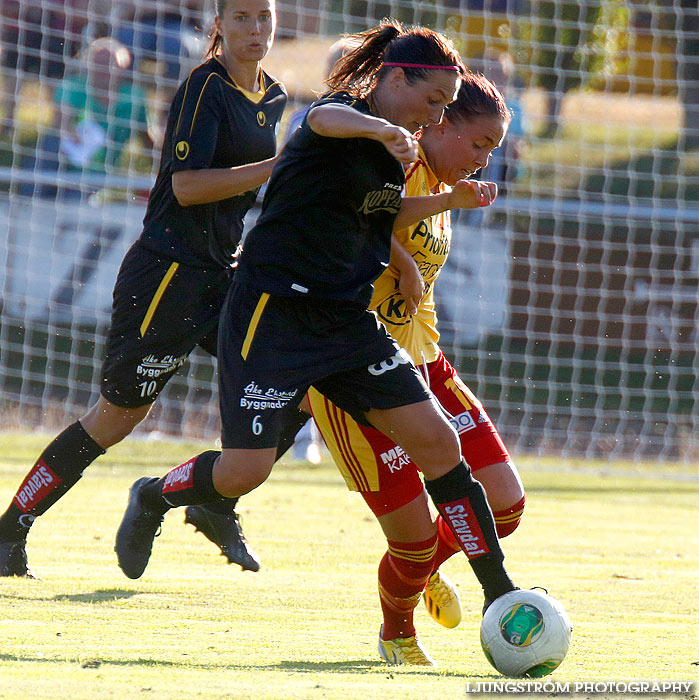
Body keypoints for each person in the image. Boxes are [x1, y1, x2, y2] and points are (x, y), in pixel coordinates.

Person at [115, 19, 521, 664]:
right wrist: (382, 130)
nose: (433, 119)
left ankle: (501, 594)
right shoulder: (344, 118)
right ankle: (155, 495)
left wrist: (445, 200)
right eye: (433, 104)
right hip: (271, 316)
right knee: (245, 470)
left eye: (445, 110)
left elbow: (384, 213)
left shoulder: (403, 147)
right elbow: (326, 119)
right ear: (394, 79)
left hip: (345, 323)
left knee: (441, 444)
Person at [0, 0, 302, 578]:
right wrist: (277, 168)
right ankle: (10, 528)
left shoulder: (275, 98)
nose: (255, 29)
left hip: (225, 274)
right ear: (218, 25)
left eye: (263, 17)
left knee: (297, 380)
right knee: (117, 418)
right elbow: (186, 187)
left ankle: (212, 500)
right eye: (240, 17)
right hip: (168, 274)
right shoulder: (202, 87)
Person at [307, 73, 525, 665]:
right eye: (478, 143)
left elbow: (410, 269)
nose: (482, 160)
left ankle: (424, 571)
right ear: (443, 122)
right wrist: (400, 253)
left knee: (504, 503)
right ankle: (397, 632)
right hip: (353, 379)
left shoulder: (444, 181)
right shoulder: (394, 159)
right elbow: (358, 219)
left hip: (423, 364)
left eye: (492, 151)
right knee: (413, 536)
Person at [23, 36, 153, 201]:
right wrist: (73, 134)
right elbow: (61, 121)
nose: (104, 70)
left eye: (110, 64)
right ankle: (25, 205)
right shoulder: (73, 86)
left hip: (94, 171)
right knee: (49, 147)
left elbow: (147, 138)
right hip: (62, 159)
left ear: (123, 67)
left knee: (74, 200)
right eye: (98, 63)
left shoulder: (133, 99)